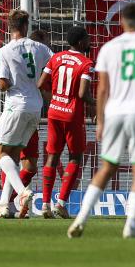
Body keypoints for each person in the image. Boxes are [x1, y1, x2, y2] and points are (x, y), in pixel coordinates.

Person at [67, 2, 135, 239]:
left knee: (107, 167)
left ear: (121, 22)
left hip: (115, 113)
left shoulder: (109, 47)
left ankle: (81, 218)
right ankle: (131, 225)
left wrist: (100, 121)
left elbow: (102, 90)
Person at [0, 10, 53, 219]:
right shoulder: (41, 48)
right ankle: (5, 205)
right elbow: (53, 68)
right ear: (25, 27)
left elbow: (4, 85)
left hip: (16, 105)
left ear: (9, 27)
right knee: (13, 156)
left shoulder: (4, 51)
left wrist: (0, 79)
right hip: (36, 106)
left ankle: (22, 193)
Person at [36, 26, 95, 219]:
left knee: (52, 157)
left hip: (54, 112)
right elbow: (82, 94)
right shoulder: (86, 63)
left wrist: (54, 98)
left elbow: (40, 83)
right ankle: (60, 203)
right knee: (75, 157)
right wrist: (97, 104)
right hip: (72, 116)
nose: (89, 42)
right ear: (80, 42)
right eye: (86, 39)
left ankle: (45, 204)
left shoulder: (56, 58)